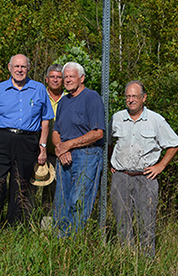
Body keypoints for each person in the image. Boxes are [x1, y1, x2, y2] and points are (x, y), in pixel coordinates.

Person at [110, 81, 178, 256]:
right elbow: (109, 143)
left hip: (146, 178)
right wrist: (112, 162)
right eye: (128, 96)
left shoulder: (155, 120)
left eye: (135, 96)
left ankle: (146, 261)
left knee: (146, 221)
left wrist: (161, 166)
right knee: (122, 221)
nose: (131, 100)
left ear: (144, 98)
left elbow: (175, 144)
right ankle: (125, 258)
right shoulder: (117, 118)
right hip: (121, 176)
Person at [0, 54, 54, 225]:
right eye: (16, 67)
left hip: (27, 141)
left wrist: (42, 146)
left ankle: (15, 227)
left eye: (23, 67)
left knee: (20, 186)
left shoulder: (39, 89)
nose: (19, 70)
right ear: (9, 67)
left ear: (28, 68)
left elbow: (46, 120)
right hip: (1, 139)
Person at [52, 62, 105, 236]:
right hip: (64, 157)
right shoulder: (63, 102)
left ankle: (75, 242)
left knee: (78, 200)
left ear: (81, 78)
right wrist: (62, 149)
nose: (67, 80)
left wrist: (69, 145)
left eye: (71, 76)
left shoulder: (92, 97)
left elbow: (98, 133)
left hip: (87, 155)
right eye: (65, 77)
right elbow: (56, 132)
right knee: (61, 201)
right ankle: (59, 243)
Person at [41, 63, 64, 213]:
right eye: (52, 77)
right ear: (46, 79)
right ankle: (33, 224)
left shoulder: (69, 98)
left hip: (62, 154)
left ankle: (55, 226)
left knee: (58, 192)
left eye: (59, 77)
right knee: (35, 191)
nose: (55, 80)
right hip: (41, 153)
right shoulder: (40, 95)